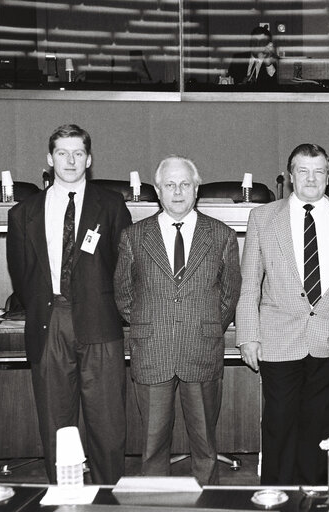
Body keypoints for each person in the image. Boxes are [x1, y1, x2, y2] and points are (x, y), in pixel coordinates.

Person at [236, 143, 329, 485]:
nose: (311, 178)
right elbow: (249, 284)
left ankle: (315, 496)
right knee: (278, 425)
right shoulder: (263, 217)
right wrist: (248, 336)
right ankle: (278, 497)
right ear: (290, 176)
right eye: (303, 171)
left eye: (319, 171)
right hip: (279, 340)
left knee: (319, 429)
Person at [6, 124, 131, 484]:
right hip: (50, 324)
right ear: (50, 159)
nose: (71, 160)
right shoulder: (23, 213)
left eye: (78, 153)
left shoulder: (110, 205)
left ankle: (109, 497)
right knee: (56, 422)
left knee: (107, 423)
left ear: (89, 159)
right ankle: (65, 496)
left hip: (101, 324)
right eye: (63, 153)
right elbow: (22, 274)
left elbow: (123, 266)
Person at [114, 156, 241, 484]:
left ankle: (208, 500)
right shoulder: (133, 236)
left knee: (204, 444)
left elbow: (229, 294)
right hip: (152, 350)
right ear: (157, 190)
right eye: (170, 185)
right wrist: (150, 322)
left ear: (196, 188)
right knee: (153, 444)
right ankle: (155, 502)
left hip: (201, 348)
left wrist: (208, 324)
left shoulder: (221, 235)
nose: (178, 191)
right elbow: (124, 294)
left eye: (185, 184)